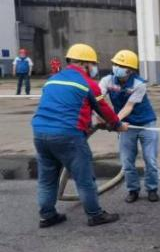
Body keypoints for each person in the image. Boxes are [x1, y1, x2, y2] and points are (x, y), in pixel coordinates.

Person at [32, 43, 128, 228]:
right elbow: (104, 109)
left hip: (40, 133)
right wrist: (118, 125)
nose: (94, 68)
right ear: (85, 64)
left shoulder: (53, 79)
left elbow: (64, 107)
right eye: (93, 64)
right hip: (68, 135)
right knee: (84, 179)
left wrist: (92, 124)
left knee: (47, 179)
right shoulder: (88, 83)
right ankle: (95, 215)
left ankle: (47, 216)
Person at [99, 50, 160, 203]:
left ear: (130, 70)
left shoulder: (139, 84)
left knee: (150, 160)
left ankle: (152, 189)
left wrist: (114, 121)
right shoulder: (107, 81)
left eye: (121, 65)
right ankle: (133, 190)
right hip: (125, 126)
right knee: (127, 162)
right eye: (115, 64)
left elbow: (128, 107)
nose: (116, 67)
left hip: (146, 124)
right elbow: (98, 99)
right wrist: (105, 119)